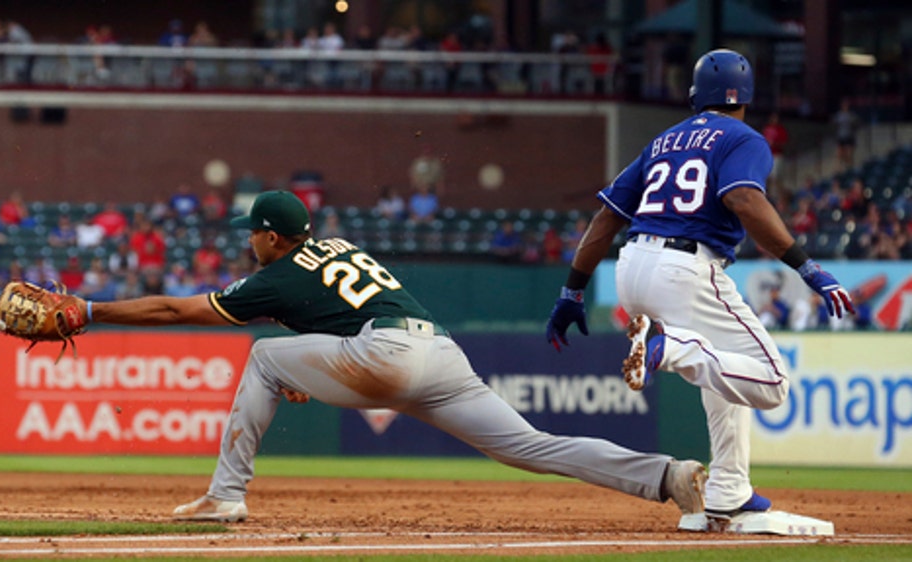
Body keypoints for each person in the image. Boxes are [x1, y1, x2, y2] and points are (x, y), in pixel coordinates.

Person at [76, 190, 706, 522]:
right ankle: (668, 477)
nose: (249, 240)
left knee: (265, 358)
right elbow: (329, 318)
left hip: (384, 352)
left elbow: (178, 312)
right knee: (531, 446)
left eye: (253, 232)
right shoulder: (338, 247)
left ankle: (225, 495)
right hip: (439, 353)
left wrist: (90, 312)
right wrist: (315, 370)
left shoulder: (279, 271)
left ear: (271, 236)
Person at [545, 49, 854, 531]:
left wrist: (572, 292)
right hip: (685, 266)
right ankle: (669, 347)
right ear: (746, 96)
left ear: (695, 95)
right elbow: (744, 199)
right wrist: (807, 267)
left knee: (722, 370)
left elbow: (607, 216)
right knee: (772, 382)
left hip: (632, 266)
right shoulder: (743, 137)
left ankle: (729, 491)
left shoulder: (664, 140)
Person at [761, 113, 789, 196]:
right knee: (767, 177)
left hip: (777, 155)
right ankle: (767, 194)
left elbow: (784, 143)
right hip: (768, 155)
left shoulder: (781, 130)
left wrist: (775, 144)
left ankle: (776, 194)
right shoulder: (767, 129)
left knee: (776, 177)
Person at [832, 98, 860, 172]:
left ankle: (849, 165)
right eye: (844, 105)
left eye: (846, 105)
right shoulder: (838, 115)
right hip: (841, 136)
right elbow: (834, 124)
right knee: (839, 152)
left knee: (849, 153)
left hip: (849, 136)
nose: (845, 106)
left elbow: (856, 123)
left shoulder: (851, 115)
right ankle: (838, 166)